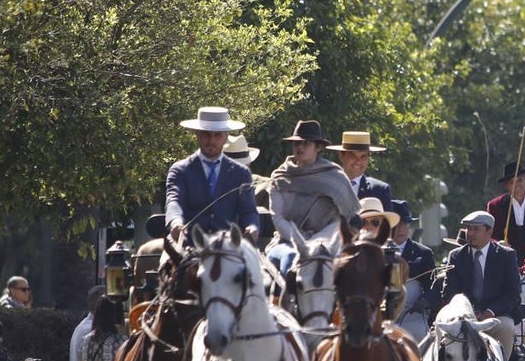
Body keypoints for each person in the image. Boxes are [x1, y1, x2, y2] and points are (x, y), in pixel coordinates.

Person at [267, 120, 359, 274]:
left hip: (326, 244)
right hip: (286, 243)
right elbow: (278, 218)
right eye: (296, 143)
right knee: (291, 259)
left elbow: (340, 220)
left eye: (306, 143)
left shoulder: (334, 178)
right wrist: (301, 243)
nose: (300, 147)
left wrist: (316, 243)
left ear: (318, 147)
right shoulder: (280, 176)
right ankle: (285, 297)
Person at [165, 106, 260, 242]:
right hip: (188, 242)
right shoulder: (180, 170)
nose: (211, 141)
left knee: (258, 263)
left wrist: (252, 226)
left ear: (226, 136)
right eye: (206, 134)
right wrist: (175, 222)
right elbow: (174, 201)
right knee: (165, 262)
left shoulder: (241, 173)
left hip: (228, 247)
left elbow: (248, 210)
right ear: (197, 135)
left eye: (217, 135)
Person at [442, 211, 522, 361]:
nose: (470, 233)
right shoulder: (456, 256)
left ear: (489, 232)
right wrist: (467, 314)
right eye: (468, 229)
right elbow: (449, 292)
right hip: (464, 317)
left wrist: (490, 312)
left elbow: (513, 295)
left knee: (506, 327)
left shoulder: (506, 255)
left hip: (495, 316)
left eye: (476, 229)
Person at [390, 200, 437, 341]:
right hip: (384, 315)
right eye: (397, 225)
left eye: (405, 224)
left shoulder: (423, 253)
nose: (402, 229)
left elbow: (433, 286)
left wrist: (425, 300)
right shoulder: (377, 251)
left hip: (413, 317)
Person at [328, 130, 391, 207]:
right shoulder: (327, 185)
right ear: (341, 156)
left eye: (363, 156)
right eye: (352, 155)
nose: (358, 161)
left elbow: (387, 218)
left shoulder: (379, 190)